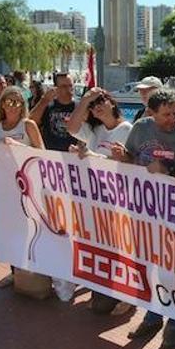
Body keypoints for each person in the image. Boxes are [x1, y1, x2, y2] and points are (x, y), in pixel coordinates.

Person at [111, 88, 175, 348]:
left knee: (174, 269)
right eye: (166, 115)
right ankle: (152, 314)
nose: (173, 119)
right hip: (143, 209)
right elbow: (130, 157)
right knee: (149, 265)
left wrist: (170, 171)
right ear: (152, 113)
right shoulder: (141, 128)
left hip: (174, 213)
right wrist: (122, 156)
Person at [64, 87, 133, 310]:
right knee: (99, 245)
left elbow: (126, 165)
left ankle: (127, 296)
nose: (97, 107)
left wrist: (92, 156)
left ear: (112, 103)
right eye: (93, 106)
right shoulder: (95, 131)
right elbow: (71, 126)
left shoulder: (127, 129)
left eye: (101, 101)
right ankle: (103, 287)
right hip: (95, 199)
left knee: (120, 247)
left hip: (118, 201)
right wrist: (85, 100)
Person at [29, 72, 77, 152]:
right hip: (52, 156)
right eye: (64, 86)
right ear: (56, 88)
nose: (69, 90)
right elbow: (30, 122)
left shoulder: (80, 106)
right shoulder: (48, 106)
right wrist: (44, 101)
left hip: (73, 156)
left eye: (70, 86)